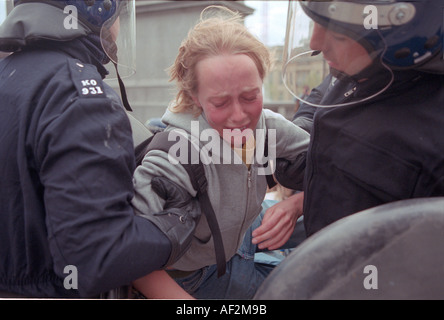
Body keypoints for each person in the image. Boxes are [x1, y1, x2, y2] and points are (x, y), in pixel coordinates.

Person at [0, 0, 202, 298]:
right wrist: (179, 220)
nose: (119, 27)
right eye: (118, 12)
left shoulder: (8, 75)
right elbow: (97, 258)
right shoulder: (79, 96)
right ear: (97, 8)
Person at [131, 6, 310, 299]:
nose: (239, 116)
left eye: (250, 97)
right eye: (220, 103)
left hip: (239, 240)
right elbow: (131, 253)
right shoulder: (175, 156)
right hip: (191, 278)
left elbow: (332, 171)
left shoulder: (268, 126)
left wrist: (296, 205)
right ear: (194, 97)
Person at [274, 0, 444, 237]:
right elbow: (323, 94)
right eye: (316, 22)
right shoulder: (362, 69)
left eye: (339, 34)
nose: (315, 43)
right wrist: (299, 133)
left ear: (398, 34)